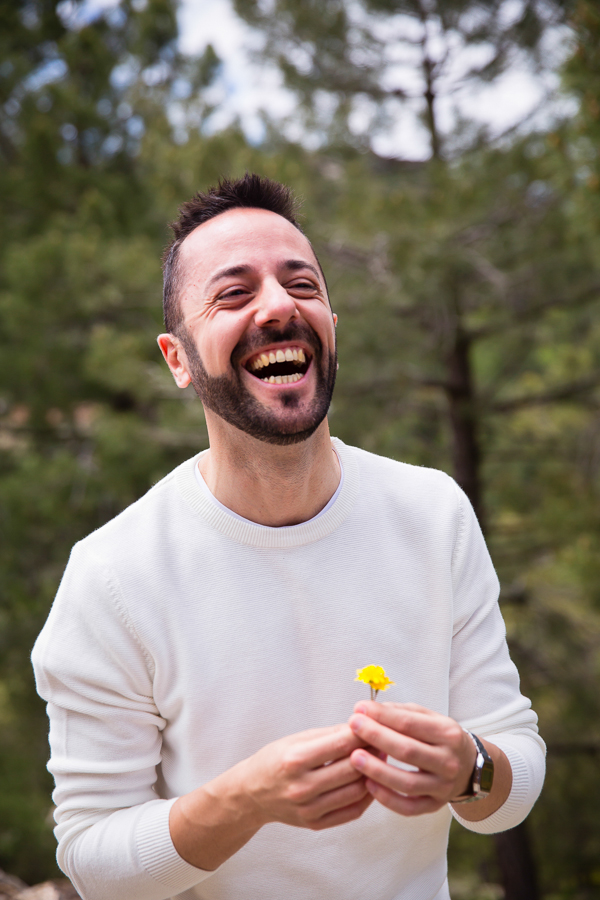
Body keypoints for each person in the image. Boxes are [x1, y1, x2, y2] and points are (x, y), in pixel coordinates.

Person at [32, 173, 545, 900]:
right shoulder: (112, 575)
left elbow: (512, 776)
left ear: (333, 325)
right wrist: (247, 800)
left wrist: (472, 768)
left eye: (301, 284)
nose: (279, 307)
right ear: (177, 359)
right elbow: (94, 859)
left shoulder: (434, 514)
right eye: (234, 293)